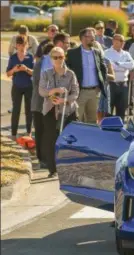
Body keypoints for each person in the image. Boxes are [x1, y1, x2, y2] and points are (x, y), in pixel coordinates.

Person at [38, 47, 79, 178]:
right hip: (50, 110)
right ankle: (52, 169)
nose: (58, 60)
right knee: (50, 139)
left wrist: (63, 100)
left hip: (68, 111)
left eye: (60, 57)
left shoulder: (71, 74)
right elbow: (42, 91)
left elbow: (75, 92)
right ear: (51, 59)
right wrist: (54, 91)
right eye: (55, 57)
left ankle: (68, 168)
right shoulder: (45, 73)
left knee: (69, 140)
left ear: (64, 58)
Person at [65, 27, 108, 124]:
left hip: (94, 92)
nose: (93, 39)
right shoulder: (72, 53)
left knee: (92, 121)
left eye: (94, 36)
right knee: (77, 120)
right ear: (82, 38)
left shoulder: (97, 52)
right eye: (90, 37)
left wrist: (100, 86)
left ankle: (90, 139)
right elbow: (67, 72)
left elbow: (103, 69)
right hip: (79, 92)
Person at [31, 43, 55, 169]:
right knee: (40, 131)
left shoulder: (55, 66)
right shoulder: (40, 64)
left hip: (51, 104)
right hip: (39, 104)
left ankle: (48, 158)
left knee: (48, 132)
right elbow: (36, 82)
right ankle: (41, 159)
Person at [6, 35, 34, 140]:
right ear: (16, 46)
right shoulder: (13, 57)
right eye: (19, 45)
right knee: (16, 110)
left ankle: (29, 132)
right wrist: (14, 70)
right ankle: (13, 133)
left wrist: (26, 69)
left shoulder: (30, 57)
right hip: (17, 86)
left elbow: (35, 73)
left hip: (28, 87)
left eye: (23, 45)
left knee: (29, 110)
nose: (21, 47)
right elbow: (8, 73)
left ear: (27, 45)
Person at [104, 34, 134, 120]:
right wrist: (124, 66)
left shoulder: (126, 54)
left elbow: (131, 65)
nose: (122, 43)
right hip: (111, 84)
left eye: (123, 41)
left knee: (122, 109)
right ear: (114, 41)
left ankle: (119, 129)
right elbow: (109, 67)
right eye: (120, 40)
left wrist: (119, 64)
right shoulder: (107, 53)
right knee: (109, 109)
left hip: (123, 84)